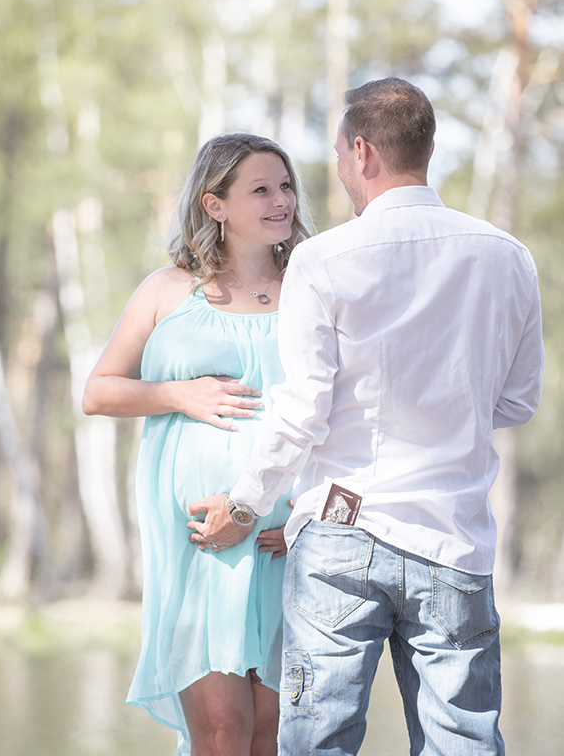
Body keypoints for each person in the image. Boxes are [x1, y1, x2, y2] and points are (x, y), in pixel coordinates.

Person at [189, 79, 544, 755]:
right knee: (462, 743)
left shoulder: (323, 258)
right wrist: (450, 407)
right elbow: (517, 401)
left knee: (316, 741)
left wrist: (243, 505)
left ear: (361, 151)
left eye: (337, 152)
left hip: (340, 540)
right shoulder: (506, 255)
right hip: (454, 542)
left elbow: (302, 408)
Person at [82, 132, 314, 756]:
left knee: (274, 735)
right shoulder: (167, 289)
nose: (281, 201)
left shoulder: (312, 286)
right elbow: (98, 391)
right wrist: (178, 395)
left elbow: (345, 408)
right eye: (260, 189)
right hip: (201, 538)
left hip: (283, 533)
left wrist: (304, 517)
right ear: (214, 205)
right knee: (221, 733)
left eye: (286, 186)